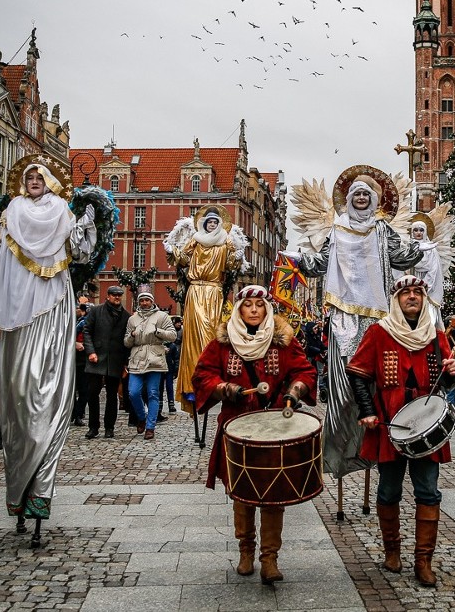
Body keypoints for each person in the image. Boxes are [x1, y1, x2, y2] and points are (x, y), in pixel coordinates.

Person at [0, 157, 96, 522]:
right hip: (17, 312)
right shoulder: (12, 211)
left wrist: (85, 223)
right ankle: (19, 484)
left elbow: (82, 251)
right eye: (29, 176)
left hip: (51, 308)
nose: (34, 180)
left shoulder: (62, 213)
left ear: (50, 181)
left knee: (48, 390)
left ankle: (41, 487)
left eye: (40, 176)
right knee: (18, 396)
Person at [291, 168, 422, 477]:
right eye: (357, 194)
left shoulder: (382, 229)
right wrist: (298, 260)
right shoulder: (335, 231)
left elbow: (400, 257)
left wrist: (419, 248)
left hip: (377, 315)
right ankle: (339, 449)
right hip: (343, 315)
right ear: (349, 200)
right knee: (344, 386)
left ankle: (380, 447)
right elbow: (321, 264)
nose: (361, 198)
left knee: (377, 380)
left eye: (366, 194)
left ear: (373, 199)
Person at [191, 285, 316, 584]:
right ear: (239, 310)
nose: (254, 310)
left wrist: (294, 391)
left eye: (259, 305)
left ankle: (269, 557)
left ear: (267, 310)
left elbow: (305, 372)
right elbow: (202, 374)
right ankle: (246, 551)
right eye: (248, 305)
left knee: (275, 495)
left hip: (274, 425)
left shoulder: (283, 341)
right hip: (237, 426)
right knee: (242, 494)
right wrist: (224, 388)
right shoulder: (222, 343)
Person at [346, 275, 455, 587]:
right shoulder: (379, 333)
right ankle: (392, 551)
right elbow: (357, 373)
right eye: (406, 293)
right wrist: (368, 412)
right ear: (396, 300)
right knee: (388, 491)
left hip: (426, 425)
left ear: (424, 298)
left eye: (417, 292)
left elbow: (447, 384)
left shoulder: (436, 336)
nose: (412, 297)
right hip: (389, 423)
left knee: (428, 492)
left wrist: (453, 373)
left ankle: (423, 561)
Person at [167, 206, 245, 415]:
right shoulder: (196, 239)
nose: (212, 225)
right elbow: (183, 259)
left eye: (215, 222)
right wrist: (172, 251)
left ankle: (211, 380)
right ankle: (191, 382)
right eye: (209, 222)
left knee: (210, 333)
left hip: (213, 291)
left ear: (220, 225)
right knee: (192, 334)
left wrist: (237, 256)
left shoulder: (225, 241)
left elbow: (230, 265)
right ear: (203, 223)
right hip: (195, 290)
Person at [123, 288, 177, 440]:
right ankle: (141, 416)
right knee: (133, 392)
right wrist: (132, 336)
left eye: (147, 300)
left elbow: (172, 335)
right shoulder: (132, 319)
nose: (144, 303)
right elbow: (126, 342)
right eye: (142, 300)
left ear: (152, 302)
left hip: (155, 359)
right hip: (137, 358)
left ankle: (150, 427)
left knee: (153, 393)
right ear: (138, 302)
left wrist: (157, 331)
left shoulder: (162, 316)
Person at [82, 285, 130, 439]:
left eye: (119, 295)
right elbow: (87, 331)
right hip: (96, 358)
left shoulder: (126, 316)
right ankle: (93, 427)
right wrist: (91, 351)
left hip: (115, 359)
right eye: (114, 295)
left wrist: (125, 363)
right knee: (92, 393)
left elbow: (126, 340)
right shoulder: (96, 311)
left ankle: (109, 427)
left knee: (112, 395)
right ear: (108, 296)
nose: (117, 298)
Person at [410, 217, 445, 327]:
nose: (418, 233)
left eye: (421, 230)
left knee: (428, 317)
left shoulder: (431, 249)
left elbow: (434, 269)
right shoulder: (408, 248)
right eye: (415, 230)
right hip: (412, 281)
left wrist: (425, 285)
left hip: (428, 285)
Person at [71, 303, 91, 426]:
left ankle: (77, 413)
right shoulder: (82, 322)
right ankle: (77, 414)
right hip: (78, 359)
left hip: (83, 359)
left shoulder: (83, 322)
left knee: (83, 390)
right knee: (82, 390)